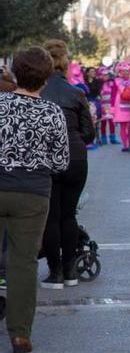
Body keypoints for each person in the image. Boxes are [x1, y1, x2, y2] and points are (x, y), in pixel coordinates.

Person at [0, 47, 70, 353]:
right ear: (45, 78)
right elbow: (60, 161)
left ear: (15, 73)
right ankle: (20, 334)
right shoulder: (52, 112)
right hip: (32, 193)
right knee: (23, 263)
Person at [39, 40, 95, 290]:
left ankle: (55, 272)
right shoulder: (76, 93)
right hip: (75, 158)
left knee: (51, 217)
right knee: (68, 214)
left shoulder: (36, 93)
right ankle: (71, 269)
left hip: (46, 159)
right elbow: (89, 133)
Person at [112, 61, 130, 152]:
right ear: (119, 72)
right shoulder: (116, 81)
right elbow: (113, 94)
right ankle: (125, 145)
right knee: (123, 126)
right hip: (120, 107)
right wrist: (112, 108)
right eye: (123, 71)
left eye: (127, 71)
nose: (125, 73)